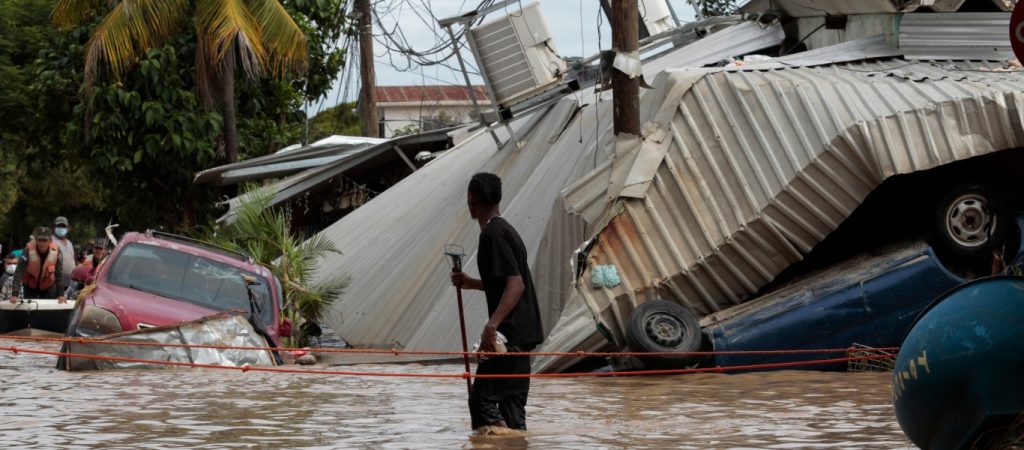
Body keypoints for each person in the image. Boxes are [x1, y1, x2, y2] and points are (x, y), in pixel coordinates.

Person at [450, 172, 543, 432]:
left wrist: (492, 326)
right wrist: (473, 283)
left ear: (471, 201)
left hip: (508, 338)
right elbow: (506, 283)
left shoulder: (492, 234)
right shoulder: (507, 230)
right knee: (513, 412)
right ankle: (516, 442)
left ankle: (505, 441)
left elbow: (516, 284)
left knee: (481, 403)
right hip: (522, 338)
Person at [10, 227, 66, 304]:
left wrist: (61, 295)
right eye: (39, 240)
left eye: (45, 240)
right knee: (29, 308)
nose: (42, 243)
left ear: (50, 241)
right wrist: (15, 294)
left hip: (47, 285)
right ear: (36, 240)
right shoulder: (27, 250)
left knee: (47, 309)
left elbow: (59, 274)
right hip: (30, 285)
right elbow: (19, 272)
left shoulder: (57, 252)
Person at [52, 216, 76, 282]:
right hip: (55, 283)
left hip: (70, 283)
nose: (61, 228)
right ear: (54, 228)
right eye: (59, 226)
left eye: (63, 226)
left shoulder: (69, 243)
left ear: (67, 228)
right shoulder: (50, 241)